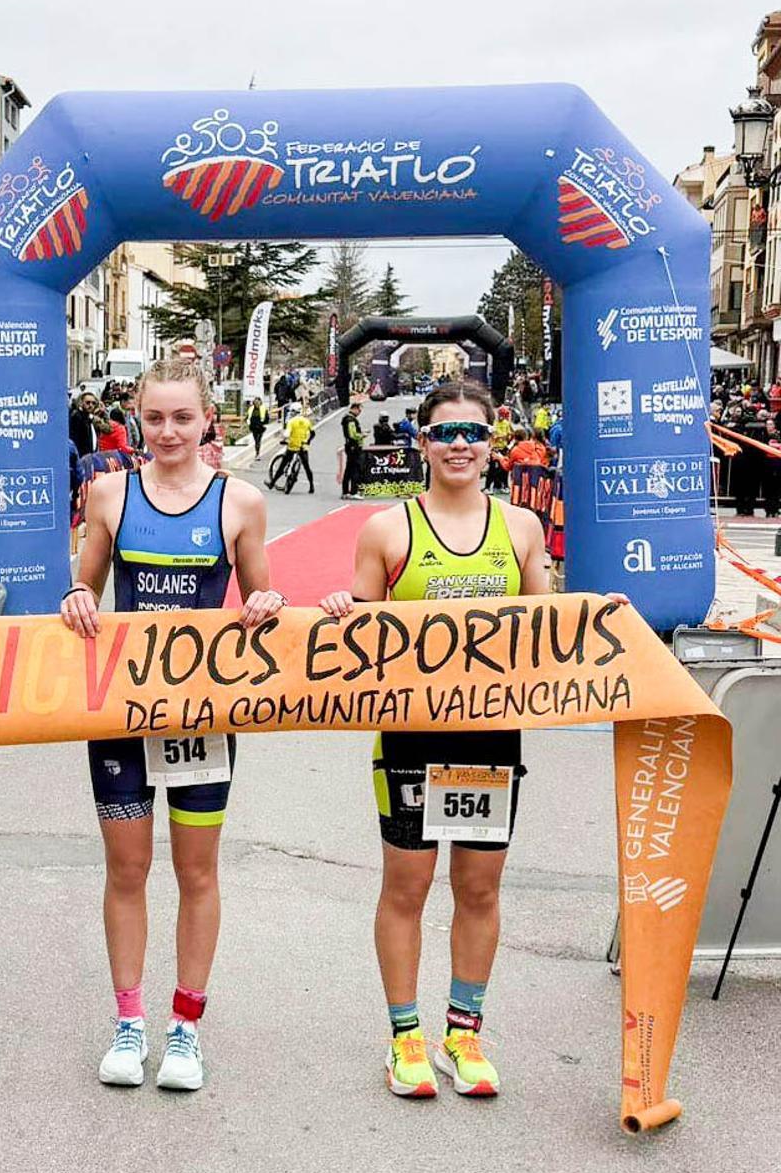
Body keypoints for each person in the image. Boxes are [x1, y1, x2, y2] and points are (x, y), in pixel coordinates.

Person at [317, 379, 551, 1102]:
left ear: (492, 443)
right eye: (444, 432)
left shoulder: (520, 528)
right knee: (408, 887)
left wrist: (607, 620)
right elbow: (361, 638)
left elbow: (551, 630)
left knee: (478, 888)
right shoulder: (387, 530)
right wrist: (343, 610)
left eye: (472, 433)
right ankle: (406, 1037)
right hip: (411, 740)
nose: (458, 445)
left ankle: (464, 1033)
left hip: (489, 737)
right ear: (422, 443)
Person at [60, 358, 284, 1093]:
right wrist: (76, 598)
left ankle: (185, 1028)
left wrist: (266, 605)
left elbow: (263, 602)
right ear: (137, 416)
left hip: (202, 716)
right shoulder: (110, 493)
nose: (167, 432)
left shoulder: (240, 502)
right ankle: (129, 1023)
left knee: (196, 872)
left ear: (207, 419)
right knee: (127, 870)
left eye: (183, 417)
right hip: (123, 715)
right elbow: (85, 585)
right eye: (154, 417)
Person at [267, 404, 315, 493]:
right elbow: (312, 433)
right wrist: (308, 442)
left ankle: (272, 483)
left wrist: (283, 439)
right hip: (303, 447)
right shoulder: (306, 421)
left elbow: (287, 434)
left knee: (282, 465)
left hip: (292, 446)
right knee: (307, 467)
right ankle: (311, 486)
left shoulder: (291, 422)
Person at [341, 400, 365, 500]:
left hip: (350, 446)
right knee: (355, 469)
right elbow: (352, 434)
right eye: (359, 410)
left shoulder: (348, 418)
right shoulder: (350, 420)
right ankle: (353, 492)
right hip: (353, 447)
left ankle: (345, 491)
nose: (359, 413)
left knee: (348, 469)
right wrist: (362, 435)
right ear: (354, 409)